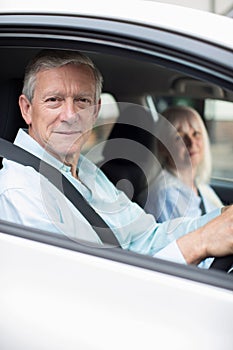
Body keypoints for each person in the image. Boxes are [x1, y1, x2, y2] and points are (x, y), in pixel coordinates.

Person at [0, 49, 233, 269]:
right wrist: (200, 243)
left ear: (95, 111)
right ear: (27, 109)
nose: (70, 115)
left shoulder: (86, 171)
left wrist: (220, 219)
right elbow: (88, 291)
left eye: (82, 101)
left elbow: (147, 237)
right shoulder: (21, 191)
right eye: (53, 100)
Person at [144, 105, 223, 222]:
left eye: (196, 133)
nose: (191, 143)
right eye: (179, 137)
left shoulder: (201, 187)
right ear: (162, 147)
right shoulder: (166, 194)